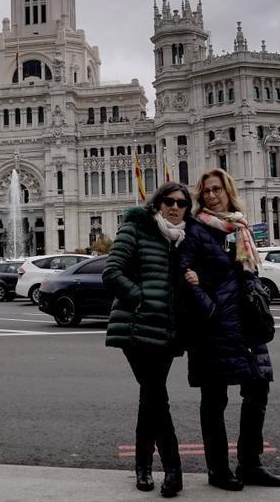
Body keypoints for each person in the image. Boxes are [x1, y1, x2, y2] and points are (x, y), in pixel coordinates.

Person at [178, 168, 280, 491]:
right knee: (215, 399)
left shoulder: (239, 228)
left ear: (228, 192)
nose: (211, 195)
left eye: (216, 190)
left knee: (258, 389)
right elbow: (183, 275)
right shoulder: (195, 230)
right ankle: (218, 470)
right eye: (206, 191)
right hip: (212, 328)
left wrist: (258, 295)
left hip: (246, 327)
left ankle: (250, 463)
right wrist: (209, 306)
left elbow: (248, 273)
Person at [102, 181, 194, 498]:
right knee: (157, 397)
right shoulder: (138, 227)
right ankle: (173, 468)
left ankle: (142, 467)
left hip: (167, 332)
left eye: (181, 203)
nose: (174, 207)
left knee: (150, 398)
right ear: (157, 203)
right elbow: (112, 270)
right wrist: (139, 300)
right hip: (136, 328)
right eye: (168, 201)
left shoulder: (184, 239)